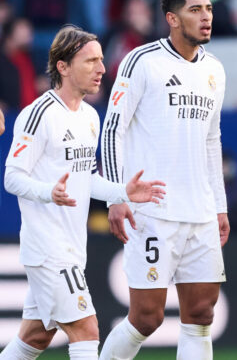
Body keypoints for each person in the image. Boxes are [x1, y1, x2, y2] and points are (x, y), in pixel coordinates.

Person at [0, 25, 165, 360]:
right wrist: (50, 192)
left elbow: (86, 179)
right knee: (86, 328)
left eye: (101, 60)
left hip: (72, 245)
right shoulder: (38, 115)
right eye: (90, 61)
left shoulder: (90, 117)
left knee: (36, 336)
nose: (102, 69)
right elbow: (12, 178)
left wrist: (123, 192)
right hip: (48, 248)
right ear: (63, 66)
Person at [99, 0, 229, 360]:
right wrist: (115, 196)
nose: (206, 17)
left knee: (201, 314)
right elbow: (112, 130)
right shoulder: (142, 61)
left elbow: (211, 140)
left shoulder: (215, 71)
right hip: (153, 212)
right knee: (146, 318)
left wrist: (219, 205)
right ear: (172, 18)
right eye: (195, 10)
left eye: (208, 9)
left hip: (201, 211)